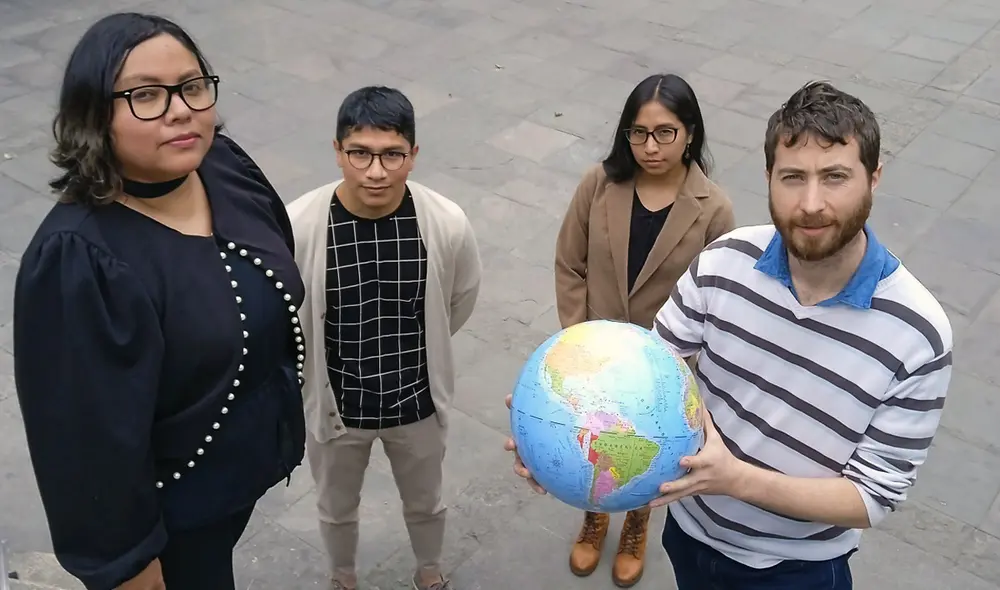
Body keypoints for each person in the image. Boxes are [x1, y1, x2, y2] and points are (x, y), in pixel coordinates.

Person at [506, 80, 953, 590]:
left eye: (834, 177)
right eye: (791, 177)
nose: (810, 203)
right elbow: (646, 368)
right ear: (768, 177)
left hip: (797, 568)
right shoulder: (725, 262)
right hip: (690, 531)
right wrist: (558, 421)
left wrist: (735, 479)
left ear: (873, 178)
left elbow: (871, 498)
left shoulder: (919, 332)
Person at [12, 13, 307, 590]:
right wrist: (130, 569)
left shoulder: (223, 164)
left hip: (239, 481)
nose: (180, 110)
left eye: (192, 87)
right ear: (94, 116)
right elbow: (84, 444)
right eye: (145, 95)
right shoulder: (78, 261)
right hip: (173, 524)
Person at [286, 86, 481, 590]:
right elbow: (291, 317)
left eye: (392, 154)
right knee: (334, 507)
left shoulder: (444, 222)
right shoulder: (299, 225)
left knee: (426, 502)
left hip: (415, 400)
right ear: (337, 151)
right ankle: (343, 578)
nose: (376, 171)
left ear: (413, 155)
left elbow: (456, 299)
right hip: (338, 404)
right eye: (361, 153)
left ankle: (430, 573)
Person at [552, 73, 734, 587]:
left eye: (664, 133)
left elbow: (718, 299)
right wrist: (577, 338)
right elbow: (570, 263)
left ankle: (636, 523)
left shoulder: (713, 208)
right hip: (595, 354)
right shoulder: (599, 184)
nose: (650, 147)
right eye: (638, 133)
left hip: (661, 365)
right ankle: (594, 516)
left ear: (691, 134)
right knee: (592, 440)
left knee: (646, 447)